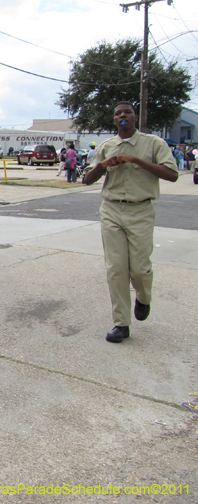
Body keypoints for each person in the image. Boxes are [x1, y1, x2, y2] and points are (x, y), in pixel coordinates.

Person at [84, 102, 178, 343]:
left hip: (140, 210)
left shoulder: (154, 143)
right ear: (114, 120)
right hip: (112, 209)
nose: (122, 116)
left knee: (140, 269)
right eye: (117, 113)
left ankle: (144, 298)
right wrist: (103, 165)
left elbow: (172, 174)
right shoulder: (106, 146)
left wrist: (135, 160)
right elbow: (86, 179)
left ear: (135, 117)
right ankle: (121, 324)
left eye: (126, 112)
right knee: (116, 269)